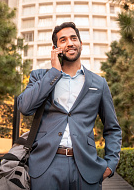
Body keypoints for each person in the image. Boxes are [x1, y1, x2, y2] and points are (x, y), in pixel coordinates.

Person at [17, 22, 122, 189]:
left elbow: (112, 128)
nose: (70, 43)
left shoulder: (99, 83)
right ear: (55, 47)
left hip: (86, 168)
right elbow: (25, 107)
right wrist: (53, 72)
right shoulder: (40, 76)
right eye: (63, 40)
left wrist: (110, 164)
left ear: (80, 43)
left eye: (74, 38)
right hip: (46, 167)